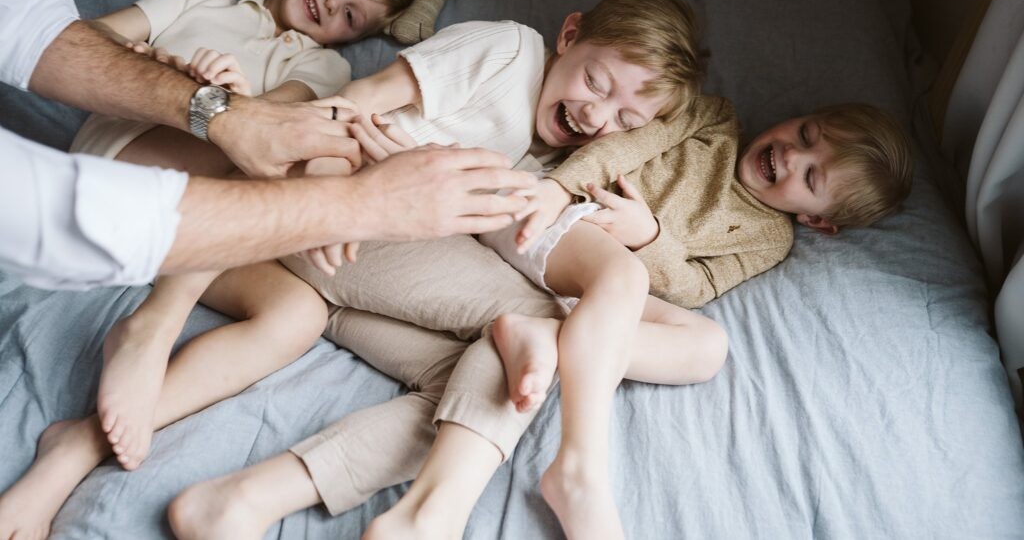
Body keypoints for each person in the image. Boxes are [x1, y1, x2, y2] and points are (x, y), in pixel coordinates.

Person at [166, 97, 912, 540]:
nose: (790, 155)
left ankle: (239, 501)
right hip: (539, 226)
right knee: (572, 311)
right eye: (806, 134)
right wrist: (567, 194)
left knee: (704, 346)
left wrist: (653, 235)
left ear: (820, 225)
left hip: (556, 282)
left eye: (812, 177)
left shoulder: (769, 238)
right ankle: (564, 469)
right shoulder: (712, 118)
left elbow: (688, 287)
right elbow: (625, 143)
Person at [159, 0, 711, 539]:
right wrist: (328, 203)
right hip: (337, 207)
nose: (596, 115)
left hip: (344, 267)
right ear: (568, 36)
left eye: (625, 119)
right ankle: (440, 518)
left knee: (484, 382)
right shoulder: (510, 51)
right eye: (595, 83)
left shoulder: (551, 158)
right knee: (538, 327)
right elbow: (356, 98)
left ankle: (240, 501)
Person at [0, 0, 533, 290]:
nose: (331, 2)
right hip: (124, 144)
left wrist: (236, 98)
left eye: (350, 17)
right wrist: (148, 56)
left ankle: (153, 326)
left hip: (207, 195)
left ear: (352, 39)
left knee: (294, 313)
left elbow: (275, 121)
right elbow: (86, 38)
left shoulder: (328, 68)